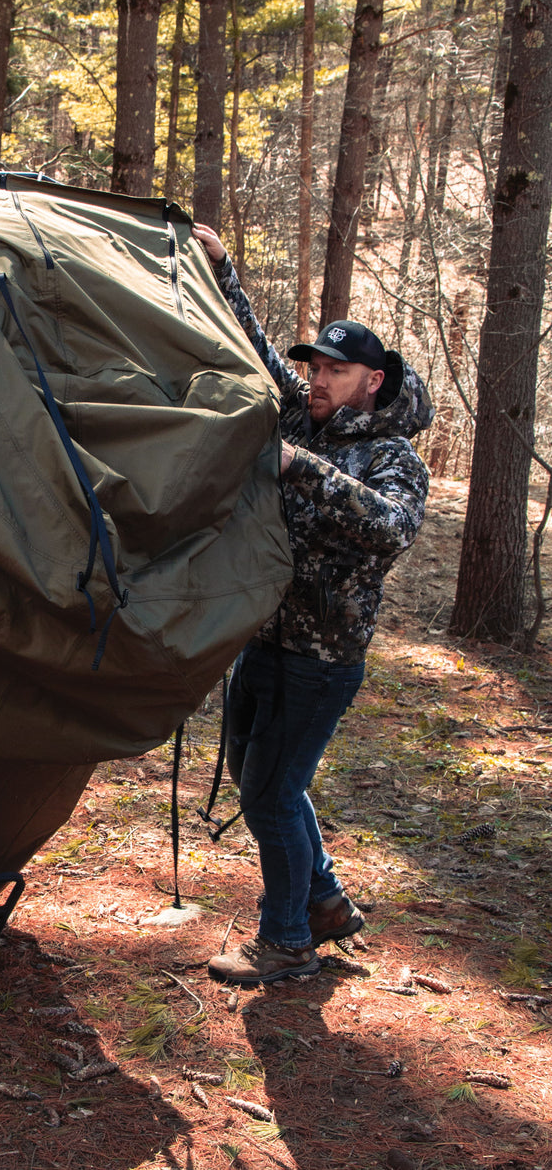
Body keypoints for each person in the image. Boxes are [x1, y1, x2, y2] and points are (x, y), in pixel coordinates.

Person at [193, 223, 434, 985]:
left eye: (336, 369)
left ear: (373, 379)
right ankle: (325, 902)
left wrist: (305, 471)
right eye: (316, 367)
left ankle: (289, 941)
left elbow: (392, 530)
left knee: (270, 795)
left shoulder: (392, 456)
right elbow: (258, 352)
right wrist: (225, 271)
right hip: (264, 637)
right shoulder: (302, 417)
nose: (318, 379)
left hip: (324, 659)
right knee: (258, 779)